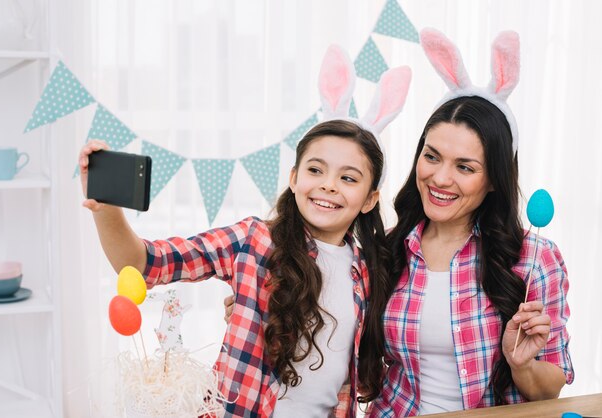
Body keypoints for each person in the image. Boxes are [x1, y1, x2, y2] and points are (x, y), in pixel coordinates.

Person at [79, 45, 411, 418]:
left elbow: (366, 368)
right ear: (294, 178)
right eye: (316, 170)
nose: (329, 185)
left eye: (348, 178)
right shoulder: (254, 241)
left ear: (370, 199)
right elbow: (144, 264)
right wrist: (105, 208)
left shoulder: (368, 268)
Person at [357, 28, 573, 416]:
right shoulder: (387, 249)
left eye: (465, 167)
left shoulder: (534, 258)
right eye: (432, 156)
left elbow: (548, 395)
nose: (440, 179)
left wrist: (520, 361)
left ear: (493, 179)